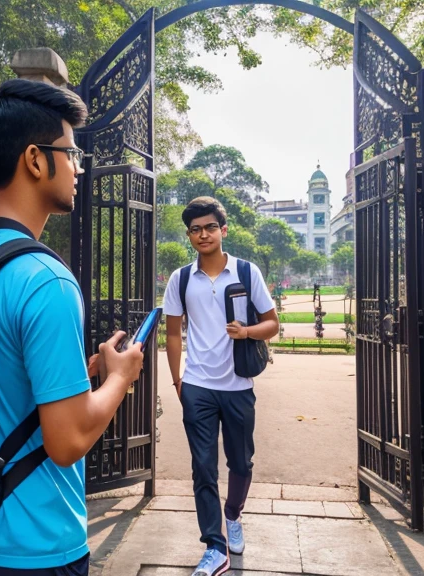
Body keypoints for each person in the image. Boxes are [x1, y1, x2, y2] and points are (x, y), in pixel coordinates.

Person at [0, 78, 145, 575]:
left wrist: (83, 370)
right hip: (36, 547)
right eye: (70, 154)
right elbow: (66, 442)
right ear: (34, 159)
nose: (76, 168)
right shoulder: (47, 281)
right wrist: (120, 376)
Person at [162, 197, 280, 576]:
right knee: (202, 467)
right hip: (197, 385)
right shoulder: (181, 279)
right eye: (195, 229)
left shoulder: (246, 273)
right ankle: (214, 546)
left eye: (210, 227)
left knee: (241, 461)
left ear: (223, 230)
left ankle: (233, 515)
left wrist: (245, 332)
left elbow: (272, 324)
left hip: (238, 385)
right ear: (189, 235)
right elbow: (174, 334)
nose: (203, 234)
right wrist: (178, 380)